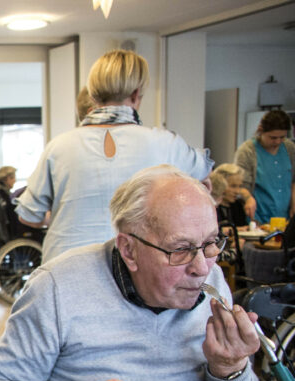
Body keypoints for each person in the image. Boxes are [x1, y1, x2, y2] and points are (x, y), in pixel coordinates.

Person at [0, 165, 260, 381]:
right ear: (129, 250)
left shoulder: (212, 277)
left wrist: (229, 368)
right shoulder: (59, 286)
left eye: (210, 243)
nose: (201, 268)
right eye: (181, 249)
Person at [17, 50, 213, 263]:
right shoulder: (166, 144)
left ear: (92, 96)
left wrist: (66, 217)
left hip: (66, 263)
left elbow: (29, 216)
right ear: (136, 94)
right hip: (134, 264)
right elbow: (205, 181)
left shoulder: (58, 147)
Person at [235, 109, 295, 225]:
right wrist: (248, 198)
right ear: (261, 131)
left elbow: (294, 180)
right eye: (273, 138)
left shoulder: (289, 147)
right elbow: (240, 185)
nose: (278, 141)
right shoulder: (247, 151)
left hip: (285, 217)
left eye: (282, 137)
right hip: (259, 216)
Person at [211, 164, 250, 228]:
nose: (237, 191)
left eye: (240, 186)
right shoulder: (212, 208)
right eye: (233, 186)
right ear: (220, 184)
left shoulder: (238, 206)